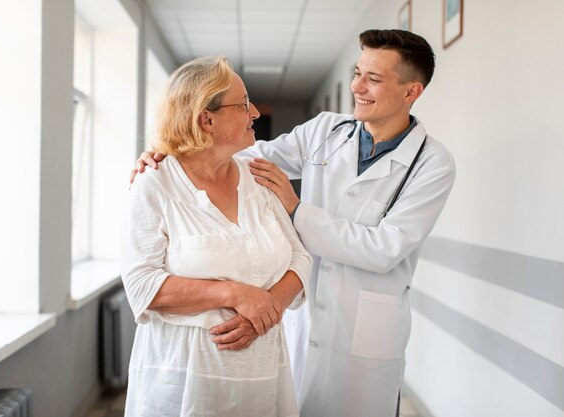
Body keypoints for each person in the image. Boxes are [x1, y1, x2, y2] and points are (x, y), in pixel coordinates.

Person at [131, 29, 456, 417]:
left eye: (374, 79)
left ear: (411, 92)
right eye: (357, 72)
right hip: (302, 320)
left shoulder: (431, 164)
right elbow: (243, 155)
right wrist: (168, 153)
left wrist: (296, 208)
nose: (358, 86)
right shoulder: (325, 131)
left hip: (365, 331)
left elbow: (384, 249)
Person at [121, 56, 312, 417]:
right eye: (242, 105)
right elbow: (142, 285)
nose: (254, 112)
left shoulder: (257, 177)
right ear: (206, 119)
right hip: (184, 380)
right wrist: (236, 294)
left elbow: (300, 258)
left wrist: (266, 310)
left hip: (262, 376)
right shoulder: (154, 183)